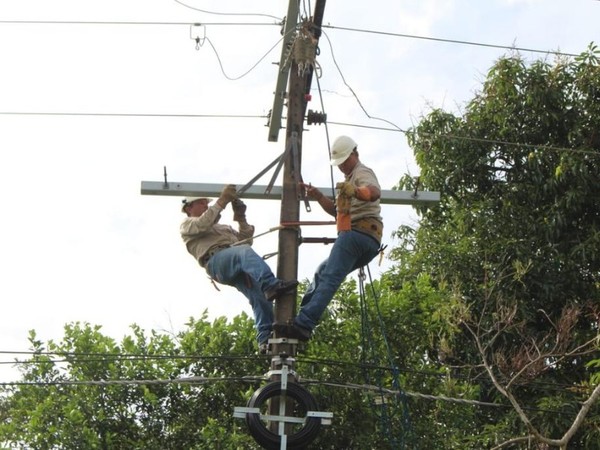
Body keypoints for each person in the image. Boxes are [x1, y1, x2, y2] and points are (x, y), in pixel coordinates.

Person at [275, 135, 383, 341]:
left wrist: (357, 191)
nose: (342, 167)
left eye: (344, 161)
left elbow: (374, 192)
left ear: (354, 153)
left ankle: (304, 324)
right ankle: (301, 319)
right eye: (339, 164)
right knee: (322, 272)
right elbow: (336, 212)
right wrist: (317, 196)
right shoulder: (347, 182)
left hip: (359, 234)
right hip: (361, 239)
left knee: (329, 278)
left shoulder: (362, 172)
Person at [180, 184, 298, 351]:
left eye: (207, 203)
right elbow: (203, 223)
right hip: (216, 262)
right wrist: (222, 200)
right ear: (189, 207)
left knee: (259, 297)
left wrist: (241, 218)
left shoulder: (221, 228)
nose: (206, 206)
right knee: (244, 253)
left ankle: (265, 338)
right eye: (202, 203)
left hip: (233, 262)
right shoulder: (187, 224)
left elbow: (245, 239)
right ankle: (270, 283)